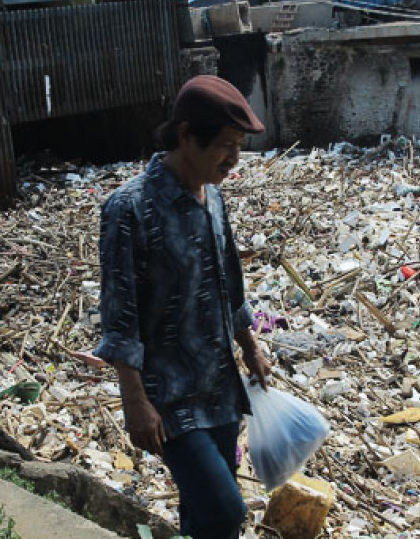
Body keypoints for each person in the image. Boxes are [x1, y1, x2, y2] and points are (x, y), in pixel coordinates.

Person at [95, 75, 273, 539]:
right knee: (225, 511)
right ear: (186, 135)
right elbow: (120, 313)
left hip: (219, 389)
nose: (233, 160)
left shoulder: (212, 197)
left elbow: (228, 280)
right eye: (225, 146)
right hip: (169, 397)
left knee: (205, 518)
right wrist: (135, 401)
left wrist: (249, 346)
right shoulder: (129, 208)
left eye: (239, 147)